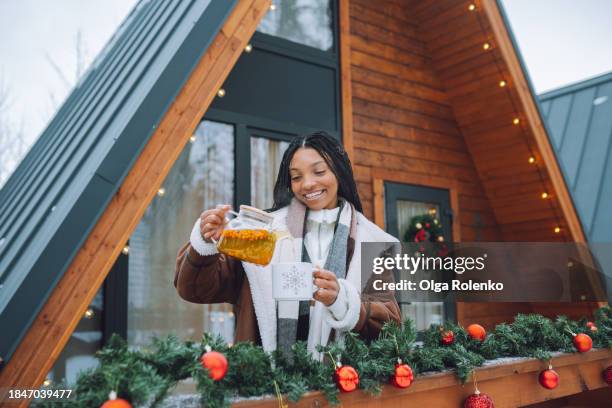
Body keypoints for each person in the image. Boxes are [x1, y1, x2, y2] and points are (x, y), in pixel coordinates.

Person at [174, 130, 400, 359]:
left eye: (319, 171)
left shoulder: (370, 240)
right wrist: (207, 242)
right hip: (269, 386)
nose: (308, 184)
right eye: (296, 177)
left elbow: (391, 329)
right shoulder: (262, 231)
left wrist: (343, 302)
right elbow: (195, 289)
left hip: (341, 387)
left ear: (339, 172)